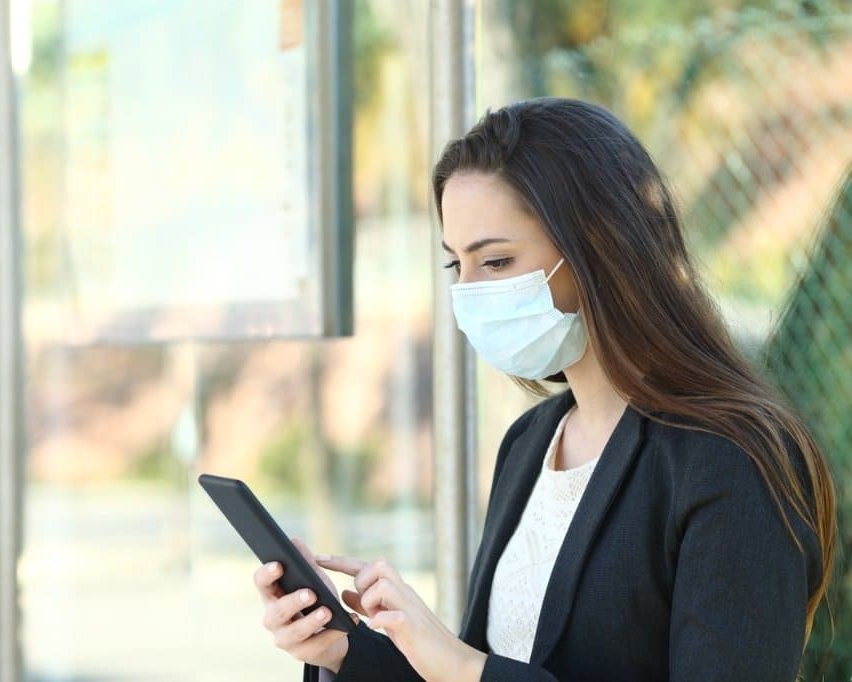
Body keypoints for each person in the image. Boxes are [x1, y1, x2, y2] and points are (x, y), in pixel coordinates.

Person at [251, 97, 836, 681]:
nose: (471, 293)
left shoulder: (730, 461)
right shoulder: (530, 442)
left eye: (497, 261)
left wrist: (462, 664)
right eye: (458, 266)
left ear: (599, 247)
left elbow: (477, 673)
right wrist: (345, 651)